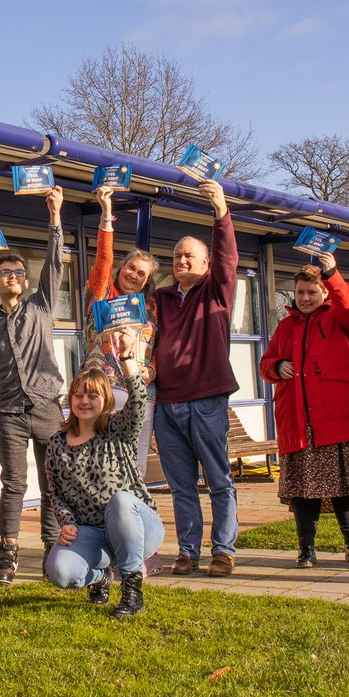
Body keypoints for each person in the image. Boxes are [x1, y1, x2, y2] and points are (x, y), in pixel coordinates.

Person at [259, 253, 349, 568]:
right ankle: (307, 550)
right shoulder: (286, 327)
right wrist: (277, 366)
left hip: (338, 422)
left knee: (344, 490)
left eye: (311, 292)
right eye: (300, 292)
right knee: (303, 493)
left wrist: (332, 273)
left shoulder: (340, 319)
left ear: (324, 292)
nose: (304, 298)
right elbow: (265, 364)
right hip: (299, 423)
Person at [152, 179, 240, 577]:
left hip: (207, 400)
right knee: (182, 486)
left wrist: (220, 211)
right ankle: (188, 551)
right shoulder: (161, 299)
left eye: (189, 256)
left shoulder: (216, 292)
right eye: (176, 257)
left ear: (205, 264)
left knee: (218, 480)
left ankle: (223, 550)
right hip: (167, 404)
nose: (181, 262)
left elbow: (227, 258)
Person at [44, 328, 163, 619]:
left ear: (105, 400)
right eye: (78, 395)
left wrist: (126, 357)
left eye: (93, 395)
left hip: (138, 526)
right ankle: (100, 578)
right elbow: (56, 494)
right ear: (70, 399)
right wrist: (68, 522)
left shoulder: (117, 430)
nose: (85, 401)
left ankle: (132, 591)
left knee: (120, 501)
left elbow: (137, 401)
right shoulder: (57, 444)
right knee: (60, 572)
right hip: (93, 533)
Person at [0, 186, 66, 585]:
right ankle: (8, 554)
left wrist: (55, 217)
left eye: (18, 273)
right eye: (5, 273)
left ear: (26, 279)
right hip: (11, 414)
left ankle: (52, 550)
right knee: (14, 484)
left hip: (48, 408)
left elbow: (55, 265)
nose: (12, 277)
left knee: (53, 484)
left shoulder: (41, 306)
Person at [82, 185, 159, 477]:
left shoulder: (151, 309)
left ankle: (133, 517)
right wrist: (106, 214)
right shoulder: (101, 294)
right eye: (131, 268)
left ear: (146, 281)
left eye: (142, 273)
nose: (134, 275)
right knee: (98, 461)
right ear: (121, 268)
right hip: (102, 388)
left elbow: (161, 348)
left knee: (134, 462)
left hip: (141, 392)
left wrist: (153, 369)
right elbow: (103, 260)